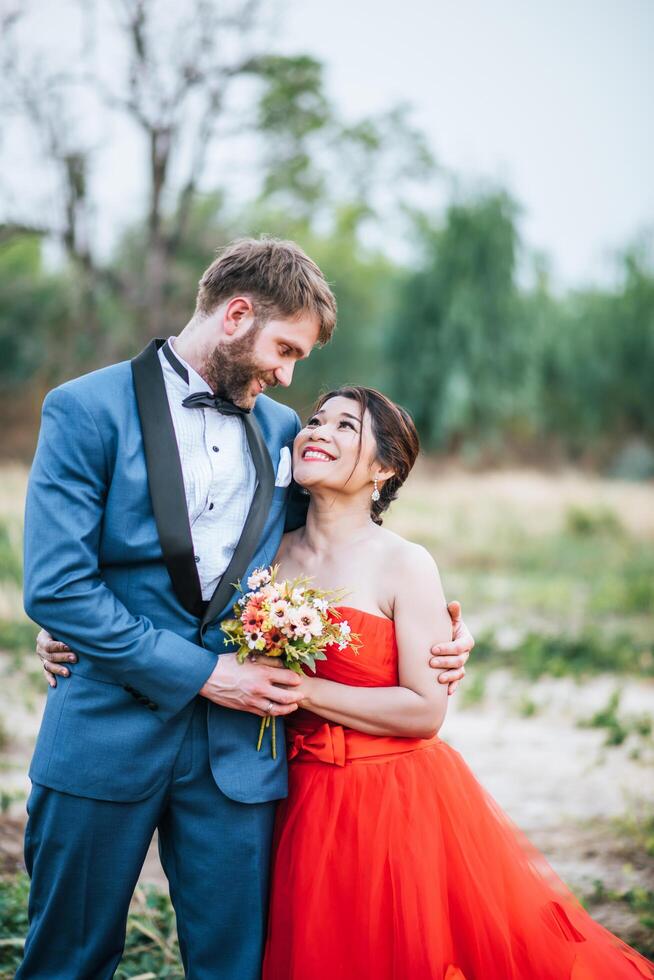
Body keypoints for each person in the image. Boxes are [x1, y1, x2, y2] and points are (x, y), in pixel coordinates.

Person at [22, 237, 473, 980]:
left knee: (237, 967)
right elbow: (58, 588)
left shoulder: (283, 432)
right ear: (236, 315)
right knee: (66, 960)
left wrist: (450, 629)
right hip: (103, 732)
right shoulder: (84, 409)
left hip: (241, 756)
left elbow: (351, 537)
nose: (289, 375)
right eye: (285, 349)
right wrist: (195, 670)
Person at [261, 385, 654, 980]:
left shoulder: (404, 563)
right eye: (316, 420)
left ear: (384, 468)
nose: (318, 431)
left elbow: (425, 710)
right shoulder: (269, 553)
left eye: (346, 427)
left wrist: (306, 692)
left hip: (388, 801)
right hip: (292, 796)